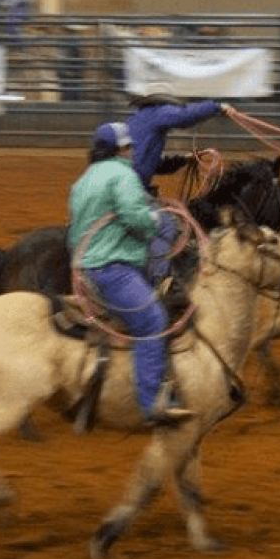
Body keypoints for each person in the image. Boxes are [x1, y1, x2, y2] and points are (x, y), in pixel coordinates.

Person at [68, 121, 193, 428]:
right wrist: (155, 218)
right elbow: (136, 219)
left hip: (86, 265)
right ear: (121, 149)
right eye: (129, 147)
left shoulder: (84, 179)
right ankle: (153, 405)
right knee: (152, 320)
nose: (132, 151)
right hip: (113, 269)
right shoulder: (123, 175)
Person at [126, 82, 234, 285]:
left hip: (129, 185)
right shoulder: (155, 112)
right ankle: (162, 280)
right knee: (167, 226)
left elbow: (151, 164)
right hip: (132, 189)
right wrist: (216, 107)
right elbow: (184, 116)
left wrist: (182, 160)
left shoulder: (138, 119)